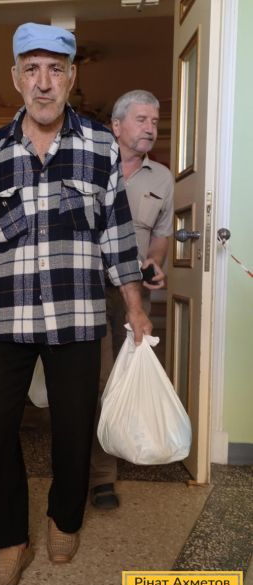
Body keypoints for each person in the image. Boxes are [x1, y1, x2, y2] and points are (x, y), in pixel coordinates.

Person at [0, 25, 152, 585]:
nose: (44, 82)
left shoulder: (100, 146)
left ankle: (63, 518)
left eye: (55, 69)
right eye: (32, 69)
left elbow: (117, 237)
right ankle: (10, 541)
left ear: (72, 78)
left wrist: (135, 308)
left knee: (74, 426)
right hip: (4, 316)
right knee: (0, 432)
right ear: (16, 78)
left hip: (76, 313)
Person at [89, 90, 174, 510]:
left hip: (134, 292)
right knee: (98, 380)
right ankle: (101, 476)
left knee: (127, 377)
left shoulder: (162, 178)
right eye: (142, 119)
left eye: (155, 121)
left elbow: (161, 234)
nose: (150, 128)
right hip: (88, 290)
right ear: (117, 125)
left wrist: (155, 260)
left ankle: (127, 445)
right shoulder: (89, 166)